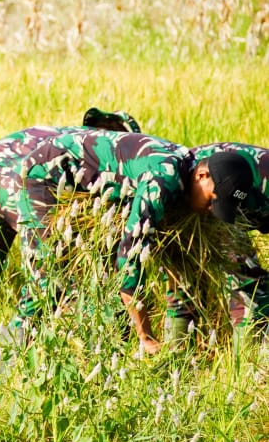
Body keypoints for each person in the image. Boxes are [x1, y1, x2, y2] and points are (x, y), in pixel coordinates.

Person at [14, 129, 259, 354]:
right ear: (202, 175)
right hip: (44, 174)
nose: (211, 210)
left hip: (91, 183)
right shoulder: (162, 181)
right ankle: (12, 356)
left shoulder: (186, 176)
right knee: (47, 279)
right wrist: (146, 336)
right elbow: (129, 259)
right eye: (213, 200)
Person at [0, 109, 142, 317]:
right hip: (24, 186)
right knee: (46, 286)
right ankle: (15, 344)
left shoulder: (66, 137)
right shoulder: (100, 160)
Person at [165, 141, 269, 343]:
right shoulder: (200, 176)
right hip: (200, 192)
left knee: (251, 288)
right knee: (184, 280)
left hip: (240, 200)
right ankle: (174, 362)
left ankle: (249, 364)